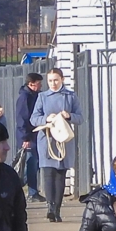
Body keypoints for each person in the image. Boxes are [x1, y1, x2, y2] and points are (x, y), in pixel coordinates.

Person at [30, 68, 79, 222]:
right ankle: (50, 208)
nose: (53, 83)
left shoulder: (70, 96)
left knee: (60, 174)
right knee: (48, 173)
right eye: (50, 80)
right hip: (47, 139)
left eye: (56, 80)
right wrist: (46, 118)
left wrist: (69, 115)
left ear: (62, 79)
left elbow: (81, 117)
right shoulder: (42, 97)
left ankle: (57, 208)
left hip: (64, 139)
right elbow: (33, 118)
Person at [14, 72, 44, 202]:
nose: (41, 86)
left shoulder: (33, 95)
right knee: (31, 163)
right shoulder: (25, 98)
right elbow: (22, 119)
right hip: (28, 137)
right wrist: (25, 138)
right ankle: (29, 190)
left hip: (33, 135)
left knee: (34, 163)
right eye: (39, 83)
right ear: (31, 84)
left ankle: (29, 190)